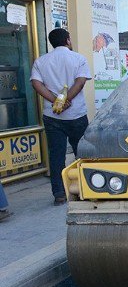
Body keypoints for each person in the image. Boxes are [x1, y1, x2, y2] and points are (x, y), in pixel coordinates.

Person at [30, 28, 91, 205]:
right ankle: (83, 188)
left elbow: (36, 84)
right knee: (81, 153)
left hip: (52, 115)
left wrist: (56, 101)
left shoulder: (41, 61)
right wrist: (67, 100)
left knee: (56, 155)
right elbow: (80, 82)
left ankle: (59, 193)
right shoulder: (79, 59)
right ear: (68, 40)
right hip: (76, 114)